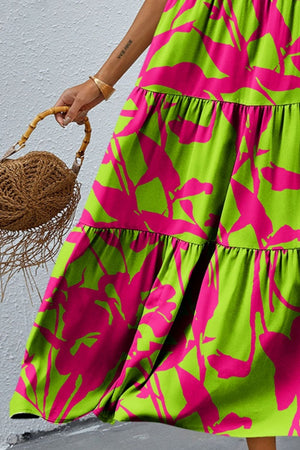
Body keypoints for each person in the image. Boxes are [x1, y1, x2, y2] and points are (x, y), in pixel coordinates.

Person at [9, 1, 300, 449]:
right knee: (211, 234)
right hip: (205, 52)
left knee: (268, 239)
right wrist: (101, 82)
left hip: (285, 56)